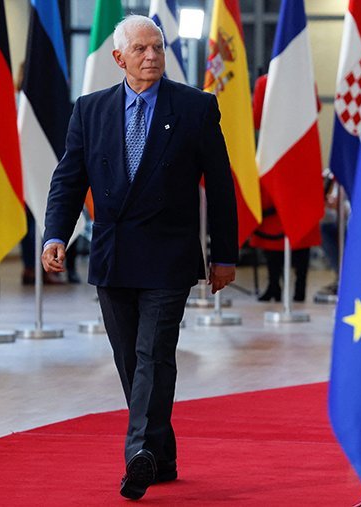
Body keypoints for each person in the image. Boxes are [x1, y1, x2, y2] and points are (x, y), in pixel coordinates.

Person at [41, 15, 237, 500]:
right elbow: (69, 180)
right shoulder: (89, 110)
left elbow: (220, 185)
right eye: (141, 49)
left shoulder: (195, 107)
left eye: (158, 47)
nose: (151, 56)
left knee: (154, 354)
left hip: (169, 256)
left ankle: (140, 454)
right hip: (113, 257)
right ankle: (162, 455)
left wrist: (224, 254)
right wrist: (54, 235)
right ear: (119, 58)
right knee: (130, 358)